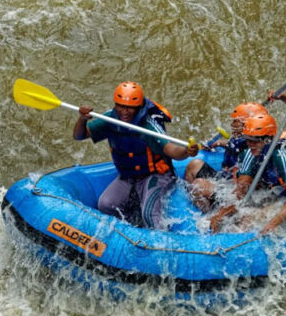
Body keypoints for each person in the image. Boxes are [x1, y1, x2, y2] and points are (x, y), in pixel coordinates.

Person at [73, 82, 198, 228]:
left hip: (156, 175)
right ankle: (133, 230)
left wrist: (186, 151)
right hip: (128, 176)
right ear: (115, 104)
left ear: (138, 107)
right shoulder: (110, 119)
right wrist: (82, 119)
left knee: (149, 214)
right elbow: (80, 136)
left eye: (130, 108)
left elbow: (170, 149)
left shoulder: (148, 125)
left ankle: (159, 244)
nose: (125, 112)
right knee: (105, 204)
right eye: (121, 106)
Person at [209, 113, 286, 235]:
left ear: (268, 140)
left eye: (254, 141)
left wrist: (272, 223)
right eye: (247, 139)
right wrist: (220, 215)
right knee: (239, 215)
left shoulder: (283, 155)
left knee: (247, 220)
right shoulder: (251, 152)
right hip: (278, 192)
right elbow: (241, 190)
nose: (250, 144)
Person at [183, 102, 268, 212]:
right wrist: (220, 143)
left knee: (197, 185)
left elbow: (242, 190)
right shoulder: (244, 140)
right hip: (227, 180)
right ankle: (200, 206)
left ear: (247, 125)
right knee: (194, 165)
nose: (232, 124)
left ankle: (211, 214)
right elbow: (236, 146)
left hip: (237, 192)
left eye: (235, 121)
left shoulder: (253, 150)